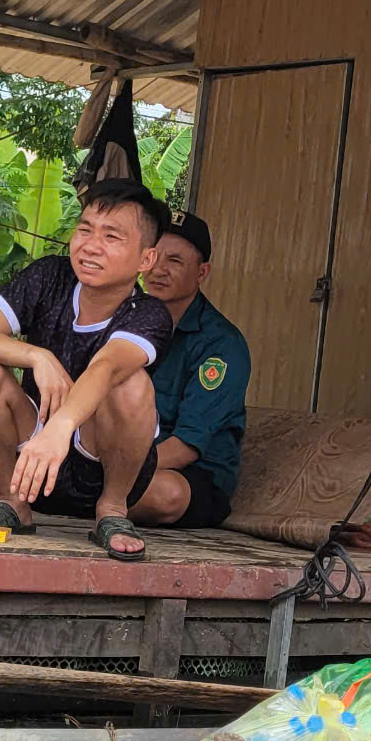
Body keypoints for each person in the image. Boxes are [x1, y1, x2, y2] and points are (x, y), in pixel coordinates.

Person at [0, 180, 172, 560]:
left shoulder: (149, 314)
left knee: (130, 384)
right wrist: (38, 356)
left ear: (145, 260)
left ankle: (112, 512)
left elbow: (105, 368)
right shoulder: (50, 276)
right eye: (85, 229)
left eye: (112, 237)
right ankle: (11, 502)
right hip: (28, 456)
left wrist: (60, 428)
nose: (90, 245)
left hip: (97, 461)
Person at [132, 213, 249, 528]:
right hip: (118, 463)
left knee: (165, 494)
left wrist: (115, 472)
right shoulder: (125, 321)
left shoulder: (221, 345)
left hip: (190, 475)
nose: (158, 269)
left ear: (202, 272)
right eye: (153, 256)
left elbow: (185, 448)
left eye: (175, 261)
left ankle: (88, 497)